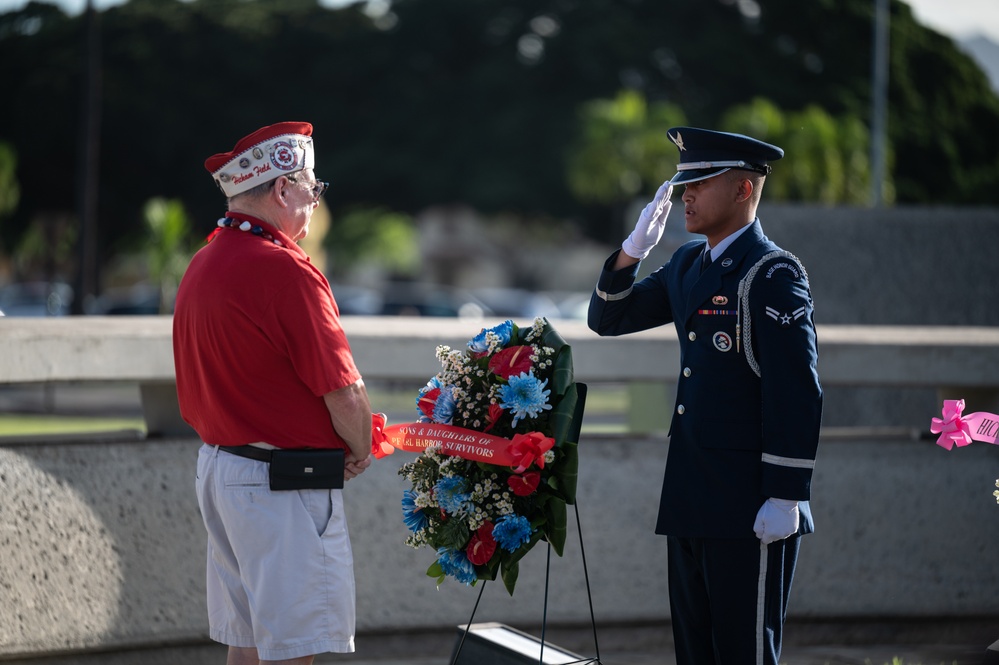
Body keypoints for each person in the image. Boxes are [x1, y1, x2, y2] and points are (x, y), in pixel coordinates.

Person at [588, 127, 822, 664]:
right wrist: (630, 252)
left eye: (701, 182)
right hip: (692, 494)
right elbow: (607, 318)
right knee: (695, 654)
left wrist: (786, 492)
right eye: (684, 183)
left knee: (744, 653)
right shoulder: (690, 264)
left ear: (743, 190)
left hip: (750, 501)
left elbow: (797, 391)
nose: (686, 195)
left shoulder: (772, 272)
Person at [173, 121, 373, 665]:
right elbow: (344, 391)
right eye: (312, 188)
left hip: (223, 472)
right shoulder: (287, 271)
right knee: (294, 650)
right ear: (283, 190)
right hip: (279, 484)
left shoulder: (204, 261)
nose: (314, 201)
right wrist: (359, 448)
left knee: (251, 644)